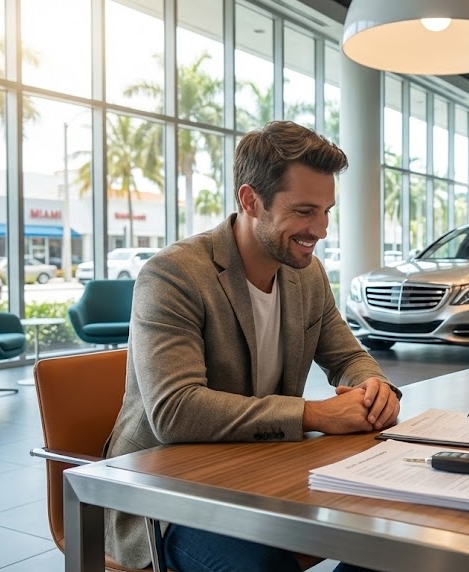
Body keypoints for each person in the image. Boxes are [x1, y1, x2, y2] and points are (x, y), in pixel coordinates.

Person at [103, 120, 402, 571]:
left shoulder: (307, 274)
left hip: (264, 475)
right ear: (250, 200)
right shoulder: (173, 275)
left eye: (326, 211)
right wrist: (314, 413)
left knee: (392, 543)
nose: (320, 229)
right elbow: (175, 411)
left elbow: (348, 357)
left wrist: (374, 388)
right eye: (304, 211)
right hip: (168, 499)